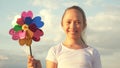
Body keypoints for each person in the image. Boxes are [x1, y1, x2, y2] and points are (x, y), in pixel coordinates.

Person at [27, 5, 102, 68]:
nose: (72, 26)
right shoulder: (54, 51)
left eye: (78, 22)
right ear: (62, 24)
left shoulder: (93, 53)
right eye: (68, 22)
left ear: (84, 25)